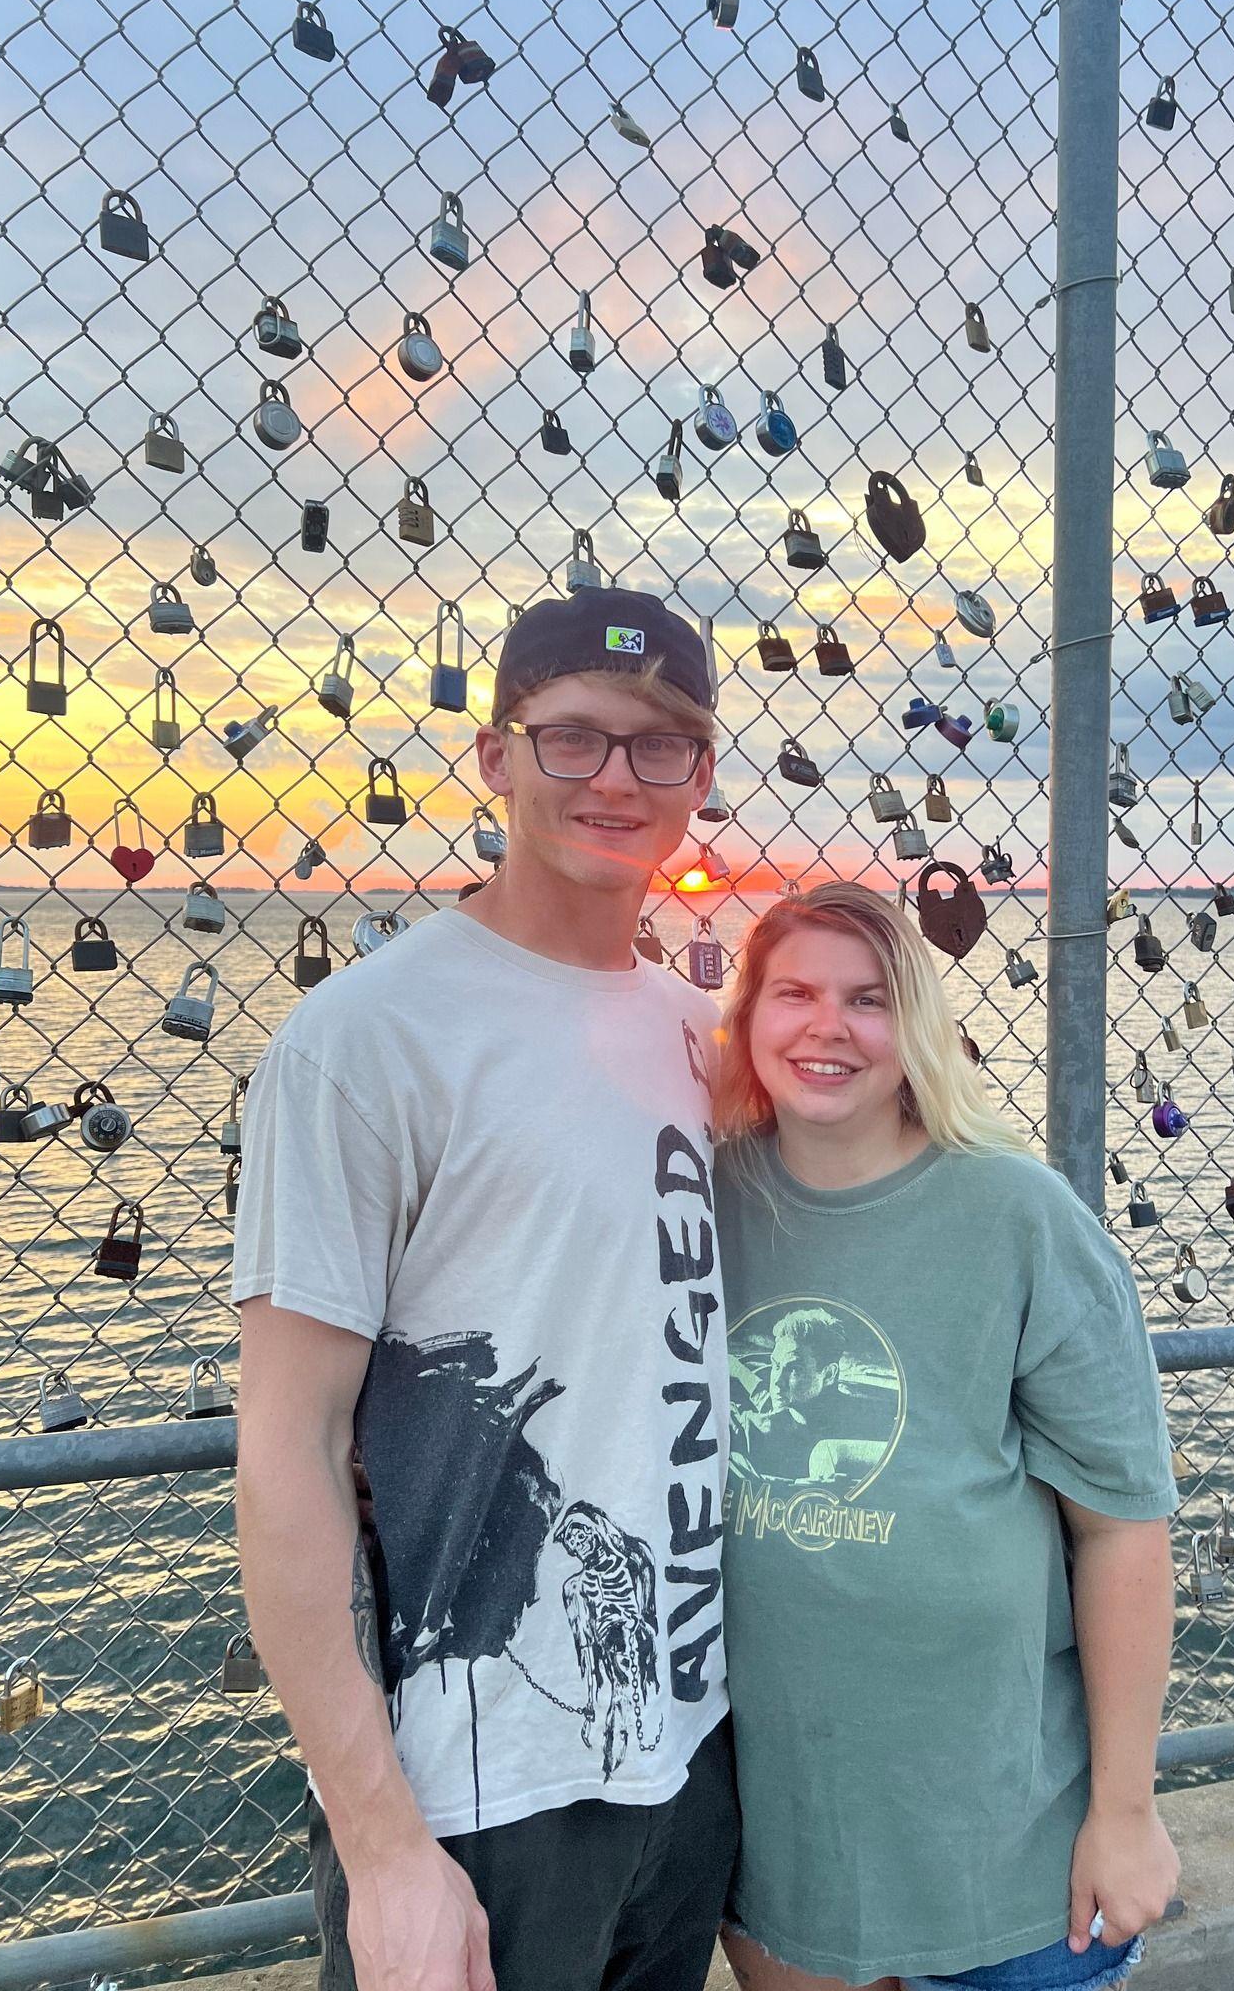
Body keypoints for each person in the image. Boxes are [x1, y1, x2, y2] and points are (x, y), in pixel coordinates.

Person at [232, 587, 739, 1991]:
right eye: (573, 738)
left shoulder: (712, 1036)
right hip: (477, 1793)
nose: (616, 780)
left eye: (661, 747)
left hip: (689, 1750)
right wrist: (383, 1845)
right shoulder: (368, 1040)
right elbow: (281, 1455)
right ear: (495, 757)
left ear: (703, 777)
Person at [710, 883, 1180, 1991]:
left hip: (1008, 1869)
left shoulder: (1016, 1213)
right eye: (793, 994)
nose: (826, 1026)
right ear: (747, 1017)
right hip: (783, 1860)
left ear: (914, 1026)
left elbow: (1122, 1529)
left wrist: (1124, 1810)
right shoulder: (699, 1199)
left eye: (866, 999)